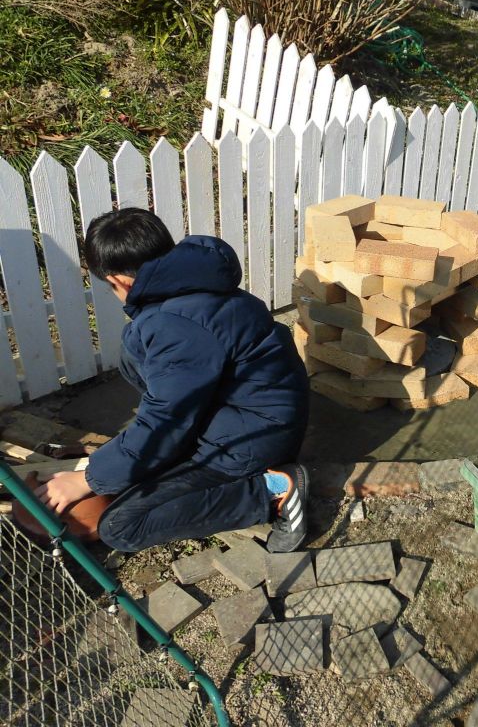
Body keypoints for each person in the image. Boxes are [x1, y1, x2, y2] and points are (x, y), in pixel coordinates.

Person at [34, 208, 311, 554]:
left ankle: (274, 490)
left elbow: (167, 419)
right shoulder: (195, 286)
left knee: (122, 526)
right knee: (135, 453)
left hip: (253, 439)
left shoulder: (175, 325)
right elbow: (170, 402)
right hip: (244, 418)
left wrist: (87, 479)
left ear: (119, 281)